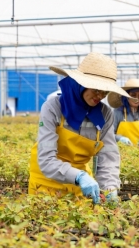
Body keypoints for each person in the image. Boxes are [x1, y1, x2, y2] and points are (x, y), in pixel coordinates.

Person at [28, 52, 133, 204]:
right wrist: (79, 176)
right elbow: (46, 160)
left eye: (105, 91)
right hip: (46, 183)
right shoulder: (53, 108)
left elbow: (109, 156)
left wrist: (110, 188)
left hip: (81, 187)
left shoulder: (105, 114)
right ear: (81, 83)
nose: (100, 95)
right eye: (96, 89)